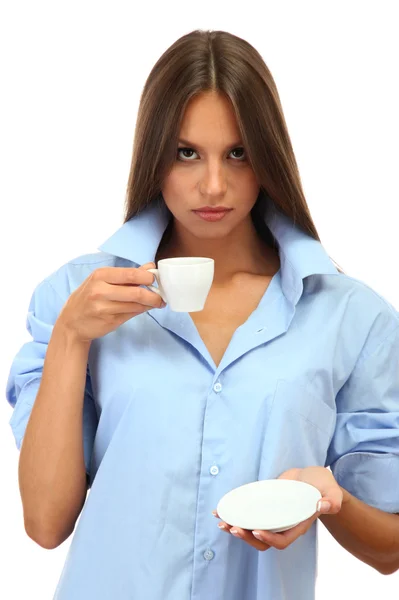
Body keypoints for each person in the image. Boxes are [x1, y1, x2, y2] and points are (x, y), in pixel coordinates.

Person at [5, 29, 399, 600]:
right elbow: (44, 524)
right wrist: (70, 337)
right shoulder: (77, 298)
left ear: (267, 158)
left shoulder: (350, 317)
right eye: (186, 152)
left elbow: (389, 549)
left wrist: (327, 500)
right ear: (154, 155)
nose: (213, 185)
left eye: (238, 153)